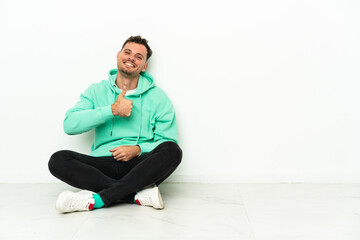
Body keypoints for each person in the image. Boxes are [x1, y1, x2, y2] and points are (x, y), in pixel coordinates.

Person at [48, 35, 182, 213]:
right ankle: (133, 195)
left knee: (172, 151)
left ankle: (98, 199)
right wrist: (111, 110)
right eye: (127, 52)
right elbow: (70, 125)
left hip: (139, 166)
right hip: (101, 165)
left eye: (138, 56)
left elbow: (168, 140)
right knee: (58, 160)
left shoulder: (158, 97)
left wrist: (138, 149)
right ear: (118, 55)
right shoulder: (97, 90)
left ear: (144, 66)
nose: (131, 58)